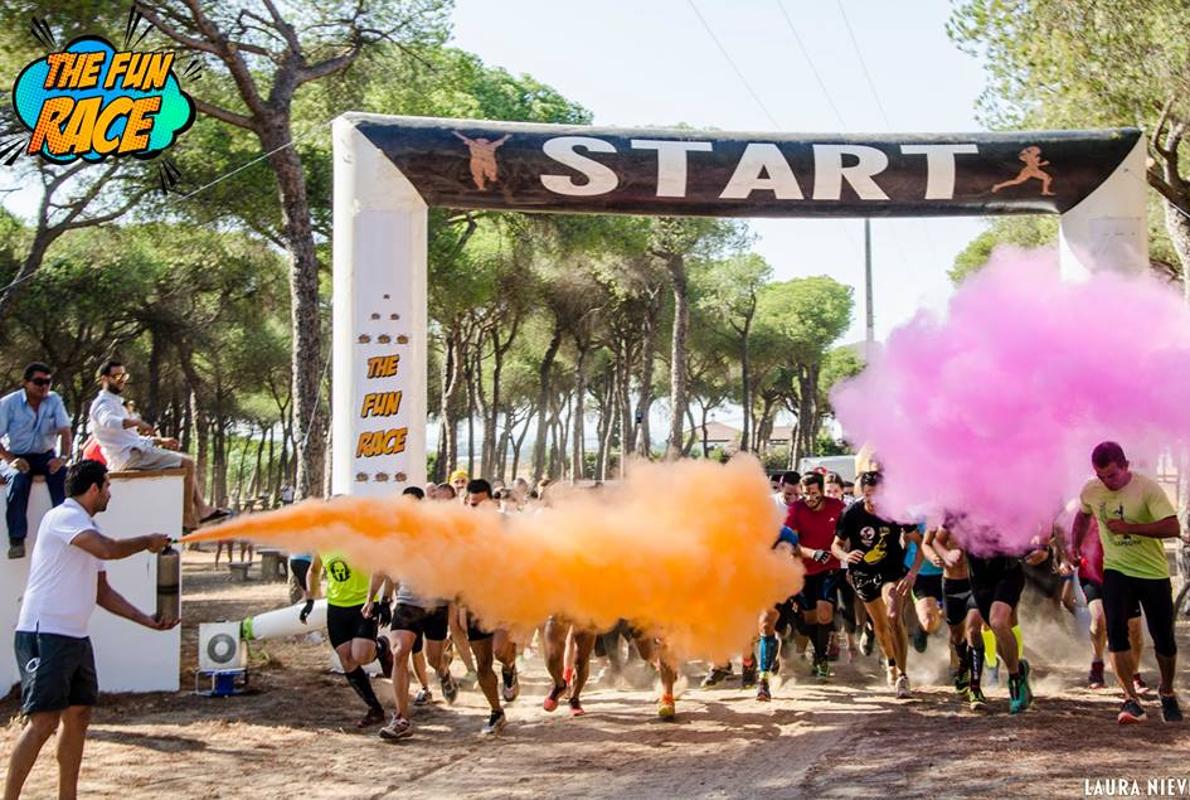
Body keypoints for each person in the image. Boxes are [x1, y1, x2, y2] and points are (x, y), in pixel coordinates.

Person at [3, 460, 174, 800]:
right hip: (44, 633)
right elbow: (108, 550)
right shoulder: (65, 518)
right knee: (43, 722)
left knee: (78, 715)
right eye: (107, 487)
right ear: (94, 489)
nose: (110, 493)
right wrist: (147, 541)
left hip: (75, 637)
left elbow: (102, 593)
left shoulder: (87, 527)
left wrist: (147, 620)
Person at [1072, 441, 1182, 724]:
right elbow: (1082, 516)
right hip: (1117, 570)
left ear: (1125, 466)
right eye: (1101, 476)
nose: (1107, 482)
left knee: (1164, 641)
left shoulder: (1147, 488)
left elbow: (1172, 526)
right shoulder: (1091, 490)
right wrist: (1075, 546)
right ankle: (1131, 701)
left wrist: (1131, 528)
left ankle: (1167, 692)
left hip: (1152, 573)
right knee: (1116, 633)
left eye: (1112, 475)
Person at [88, 360, 225, 531]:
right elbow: (109, 421)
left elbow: (132, 439)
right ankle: (188, 517)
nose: (122, 379)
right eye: (116, 376)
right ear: (104, 379)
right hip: (128, 457)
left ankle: (202, 509)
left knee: (185, 462)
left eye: (124, 375)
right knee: (187, 463)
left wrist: (161, 441)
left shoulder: (117, 403)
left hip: (133, 452)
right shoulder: (102, 403)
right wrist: (136, 422)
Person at [832, 471, 922, 698]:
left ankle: (903, 676)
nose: (874, 500)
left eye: (879, 495)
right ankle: (891, 663)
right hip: (863, 573)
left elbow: (921, 545)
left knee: (894, 616)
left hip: (891, 570)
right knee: (881, 625)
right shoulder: (851, 513)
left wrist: (912, 573)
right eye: (869, 494)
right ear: (862, 492)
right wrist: (844, 556)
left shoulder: (897, 511)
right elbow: (835, 545)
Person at [301, 551, 394, 728]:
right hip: (337, 609)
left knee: (361, 656)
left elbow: (386, 567)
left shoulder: (359, 539)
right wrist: (310, 600)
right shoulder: (322, 544)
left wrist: (385, 601)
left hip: (364, 604)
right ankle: (375, 709)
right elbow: (313, 570)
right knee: (347, 660)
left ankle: (382, 647)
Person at [0, 362, 71, 559]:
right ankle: (16, 540)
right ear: (25, 383)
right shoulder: (9, 403)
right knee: (18, 480)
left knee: (62, 476)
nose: (44, 386)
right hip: (15, 455)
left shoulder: (54, 400)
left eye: (48, 382)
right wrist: (10, 459)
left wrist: (63, 458)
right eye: (39, 381)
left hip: (44, 455)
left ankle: (66, 530)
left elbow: (65, 431)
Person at [1071, 510, 1145, 691]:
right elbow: (1059, 526)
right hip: (1092, 572)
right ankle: (1097, 665)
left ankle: (1134, 673)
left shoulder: (1131, 505)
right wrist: (1068, 556)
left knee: (1133, 626)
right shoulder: (1086, 508)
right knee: (1099, 618)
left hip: (1125, 572)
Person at [786, 472, 845, 680]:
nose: (809, 498)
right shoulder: (795, 509)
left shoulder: (837, 508)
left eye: (813, 493)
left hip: (829, 567)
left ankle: (822, 659)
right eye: (806, 494)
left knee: (825, 613)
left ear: (821, 490)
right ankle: (813, 653)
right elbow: (792, 543)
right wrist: (813, 553)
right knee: (809, 617)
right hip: (804, 569)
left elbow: (847, 535)